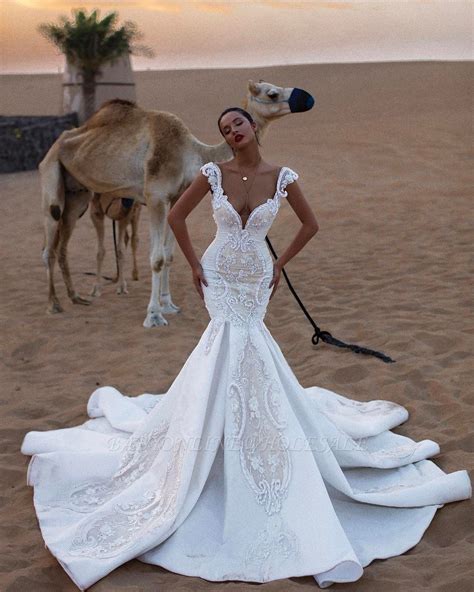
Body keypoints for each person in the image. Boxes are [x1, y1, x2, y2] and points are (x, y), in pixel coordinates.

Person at [21, 107, 472, 591]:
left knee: (252, 344)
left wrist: (280, 266)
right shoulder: (212, 173)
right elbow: (174, 216)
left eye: (237, 125)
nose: (232, 132)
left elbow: (310, 224)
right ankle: (210, 438)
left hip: (256, 273)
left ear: (253, 128)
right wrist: (194, 264)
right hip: (218, 270)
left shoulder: (282, 177)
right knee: (224, 345)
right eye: (224, 129)